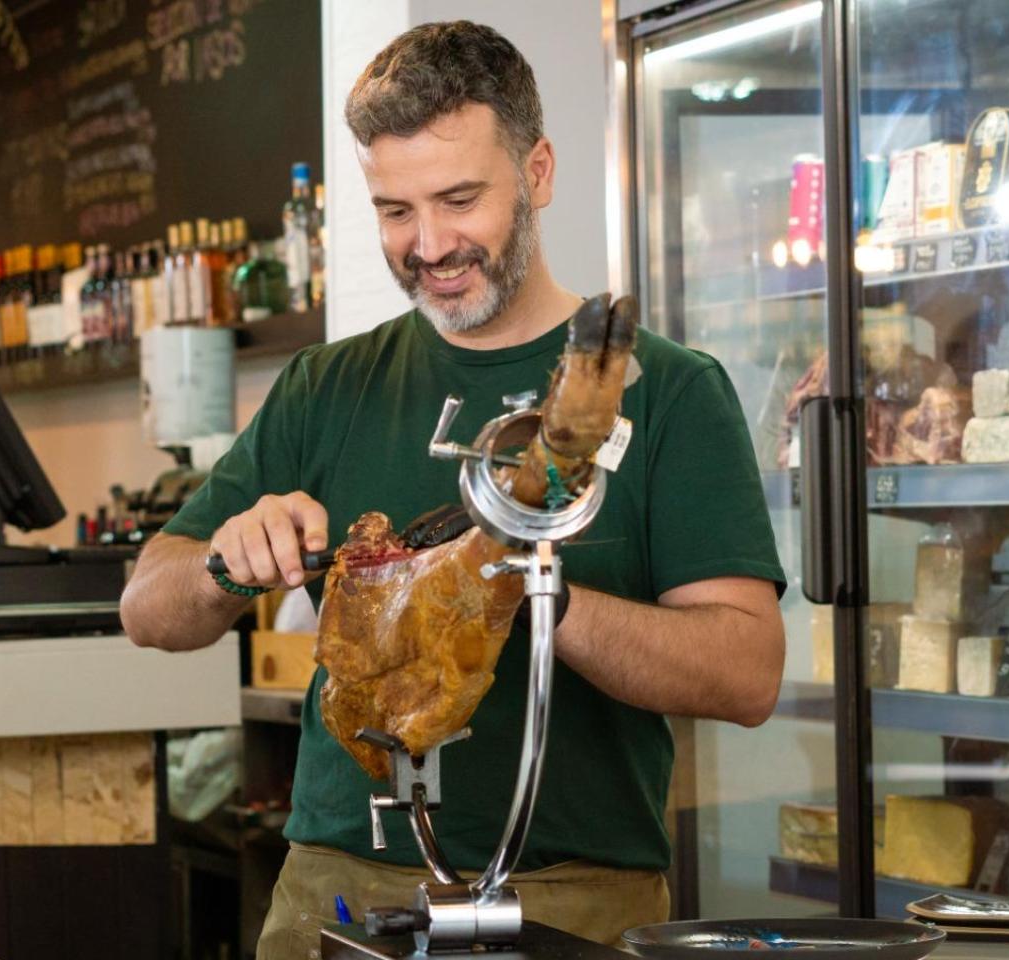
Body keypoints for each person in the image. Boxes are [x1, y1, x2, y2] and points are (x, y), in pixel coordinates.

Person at [120, 20, 786, 958]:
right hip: (336, 885)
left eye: (459, 199)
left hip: (581, 896)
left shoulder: (669, 390)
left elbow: (747, 673)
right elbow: (148, 609)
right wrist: (229, 562)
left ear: (540, 171)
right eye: (395, 210)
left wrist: (514, 583)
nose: (428, 244)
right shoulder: (325, 386)